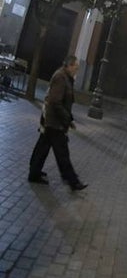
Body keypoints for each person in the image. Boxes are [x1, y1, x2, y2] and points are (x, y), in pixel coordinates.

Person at [27, 55, 86, 191]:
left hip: (53, 121)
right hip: (55, 122)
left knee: (42, 147)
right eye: (76, 68)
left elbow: (64, 102)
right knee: (62, 154)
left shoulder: (65, 77)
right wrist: (67, 118)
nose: (76, 70)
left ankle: (34, 173)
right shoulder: (61, 77)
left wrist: (69, 119)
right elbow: (55, 102)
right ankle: (73, 181)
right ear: (69, 65)